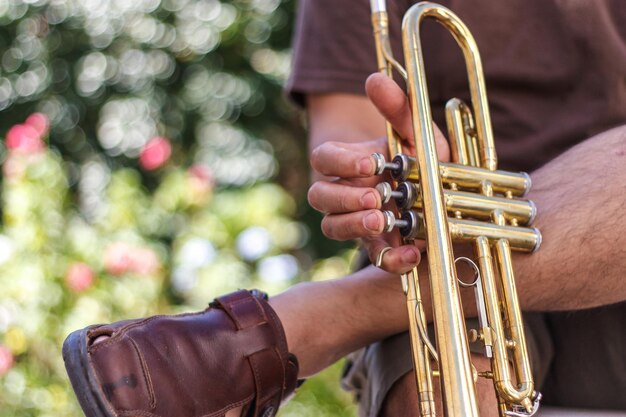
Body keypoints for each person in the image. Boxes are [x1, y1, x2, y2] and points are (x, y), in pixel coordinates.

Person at [63, 1, 626, 417]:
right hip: (432, 246)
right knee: (454, 396)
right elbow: (347, 139)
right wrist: (380, 176)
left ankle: (323, 317)